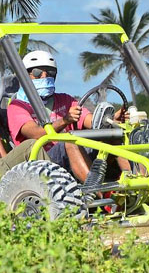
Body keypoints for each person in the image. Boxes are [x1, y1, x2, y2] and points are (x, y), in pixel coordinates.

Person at [7, 51, 137, 183]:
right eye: (37, 73)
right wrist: (64, 121)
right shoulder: (18, 106)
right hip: (41, 160)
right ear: (25, 76)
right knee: (69, 141)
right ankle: (94, 192)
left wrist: (112, 119)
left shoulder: (65, 99)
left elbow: (91, 121)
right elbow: (35, 133)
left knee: (115, 136)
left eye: (50, 73)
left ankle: (137, 184)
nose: (44, 76)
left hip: (72, 154)